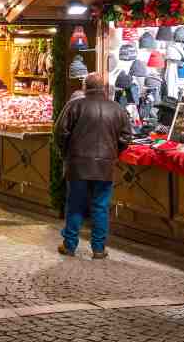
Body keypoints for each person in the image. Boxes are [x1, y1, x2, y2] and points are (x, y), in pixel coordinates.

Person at [54, 71, 131, 260]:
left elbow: (59, 133)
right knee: (100, 207)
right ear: (104, 88)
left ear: (85, 87)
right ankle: (98, 248)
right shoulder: (117, 109)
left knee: (75, 205)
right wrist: (112, 154)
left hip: (78, 165)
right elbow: (126, 137)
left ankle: (70, 245)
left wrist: (66, 154)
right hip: (104, 167)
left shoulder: (74, 106)